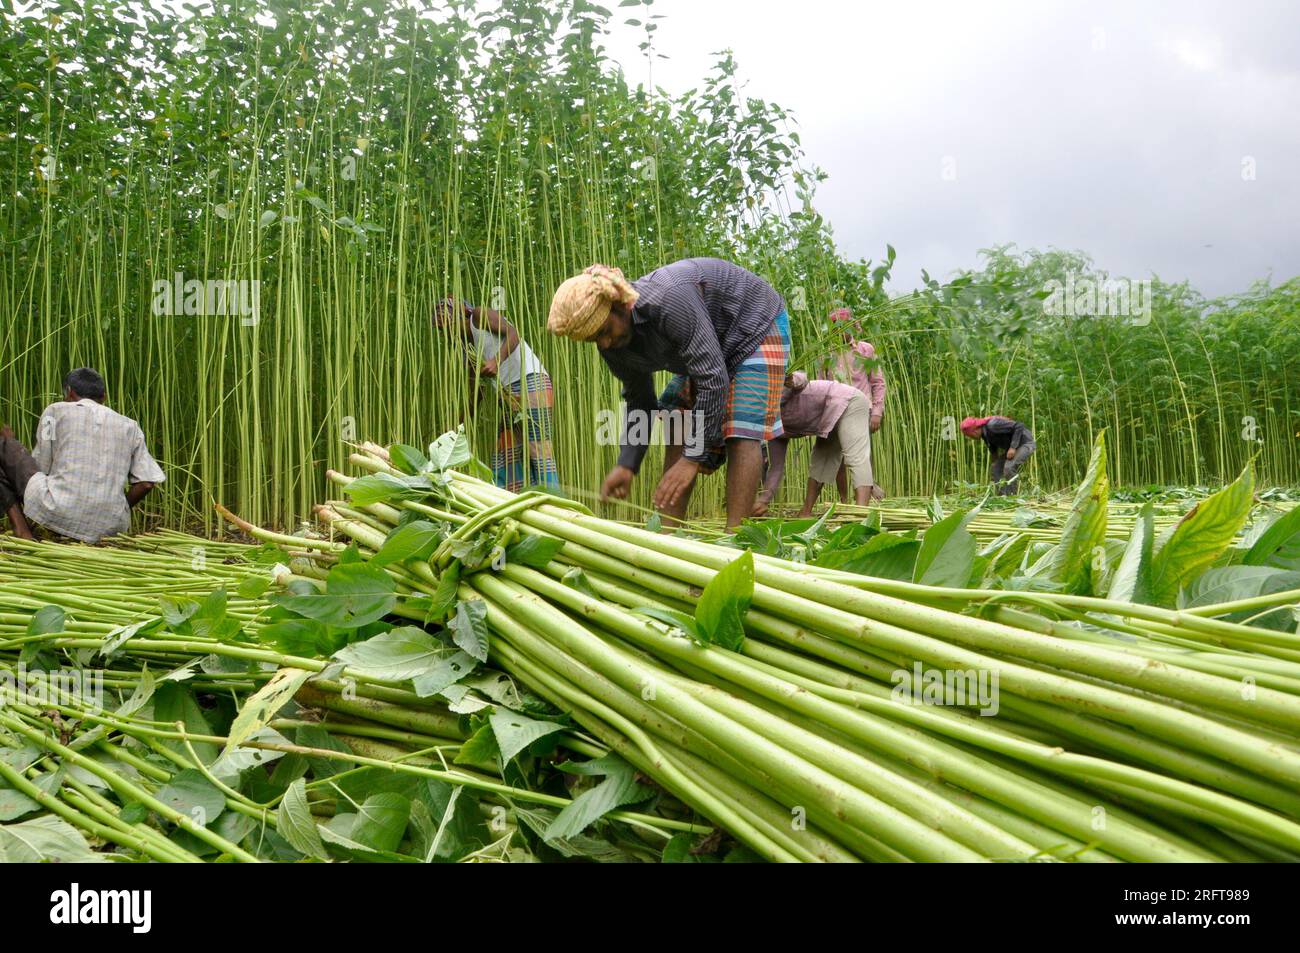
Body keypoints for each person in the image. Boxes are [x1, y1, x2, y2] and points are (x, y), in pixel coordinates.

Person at [548, 258, 789, 530]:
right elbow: (641, 401)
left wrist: (692, 458)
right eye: (594, 339)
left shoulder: (668, 300)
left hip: (753, 326)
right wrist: (627, 464)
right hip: (709, 348)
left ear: (620, 305)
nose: (604, 343)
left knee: (741, 428)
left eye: (604, 331)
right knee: (676, 417)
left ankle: (736, 543)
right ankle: (668, 534)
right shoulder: (611, 345)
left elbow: (713, 378)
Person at [0, 367, 165, 542]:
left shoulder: (55, 411)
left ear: (69, 392)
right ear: (104, 397)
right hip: (110, 527)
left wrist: (9, 444)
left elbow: (42, 466)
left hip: (58, 508)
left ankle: (23, 532)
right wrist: (118, 509)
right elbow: (146, 483)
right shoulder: (131, 426)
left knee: (3, 445)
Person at [433, 298, 559, 493]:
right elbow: (477, 389)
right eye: (441, 331)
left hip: (531, 382)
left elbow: (513, 333)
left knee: (537, 448)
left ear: (459, 316)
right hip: (508, 396)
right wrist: (460, 425)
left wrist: (495, 361)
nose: (446, 333)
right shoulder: (469, 349)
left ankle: (553, 504)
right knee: (507, 451)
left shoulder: (479, 315)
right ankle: (517, 501)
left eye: (447, 325)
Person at [754, 372, 875, 517]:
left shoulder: (777, 395)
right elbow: (776, 468)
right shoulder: (772, 429)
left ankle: (861, 514)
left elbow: (801, 379)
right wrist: (763, 501)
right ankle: (806, 512)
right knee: (820, 463)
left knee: (856, 458)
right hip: (827, 419)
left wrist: (789, 379)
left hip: (848, 401)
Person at [818, 307, 885, 500]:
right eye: (835, 329)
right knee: (838, 460)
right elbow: (822, 385)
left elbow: (878, 382)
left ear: (851, 327)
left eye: (843, 327)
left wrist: (877, 412)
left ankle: (864, 498)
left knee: (860, 457)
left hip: (861, 410)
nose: (839, 332)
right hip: (835, 412)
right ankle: (844, 500)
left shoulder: (865, 350)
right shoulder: (825, 355)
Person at [961, 415, 1036, 495]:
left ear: (974, 431)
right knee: (996, 468)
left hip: (1025, 443)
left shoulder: (993, 425)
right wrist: (995, 462)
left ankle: (1012, 496)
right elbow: (993, 448)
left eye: (970, 435)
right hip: (1014, 448)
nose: (971, 438)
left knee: (1009, 467)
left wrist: (1012, 447)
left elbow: (1019, 426)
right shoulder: (985, 434)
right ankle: (1002, 495)